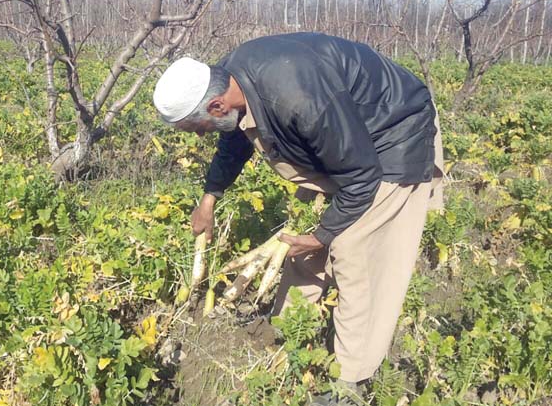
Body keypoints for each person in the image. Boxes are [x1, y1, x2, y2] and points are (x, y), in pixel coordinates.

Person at [152, 33, 444, 405]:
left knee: (356, 255)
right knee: (301, 246)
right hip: (346, 140)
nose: (198, 137)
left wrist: (324, 235)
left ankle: (348, 383)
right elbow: (235, 138)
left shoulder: (298, 97)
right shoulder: (230, 81)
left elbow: (362, 176)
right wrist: (209, 198)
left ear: (216, 105)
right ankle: (290, 333)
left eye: (198, 128)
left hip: (394, 135)